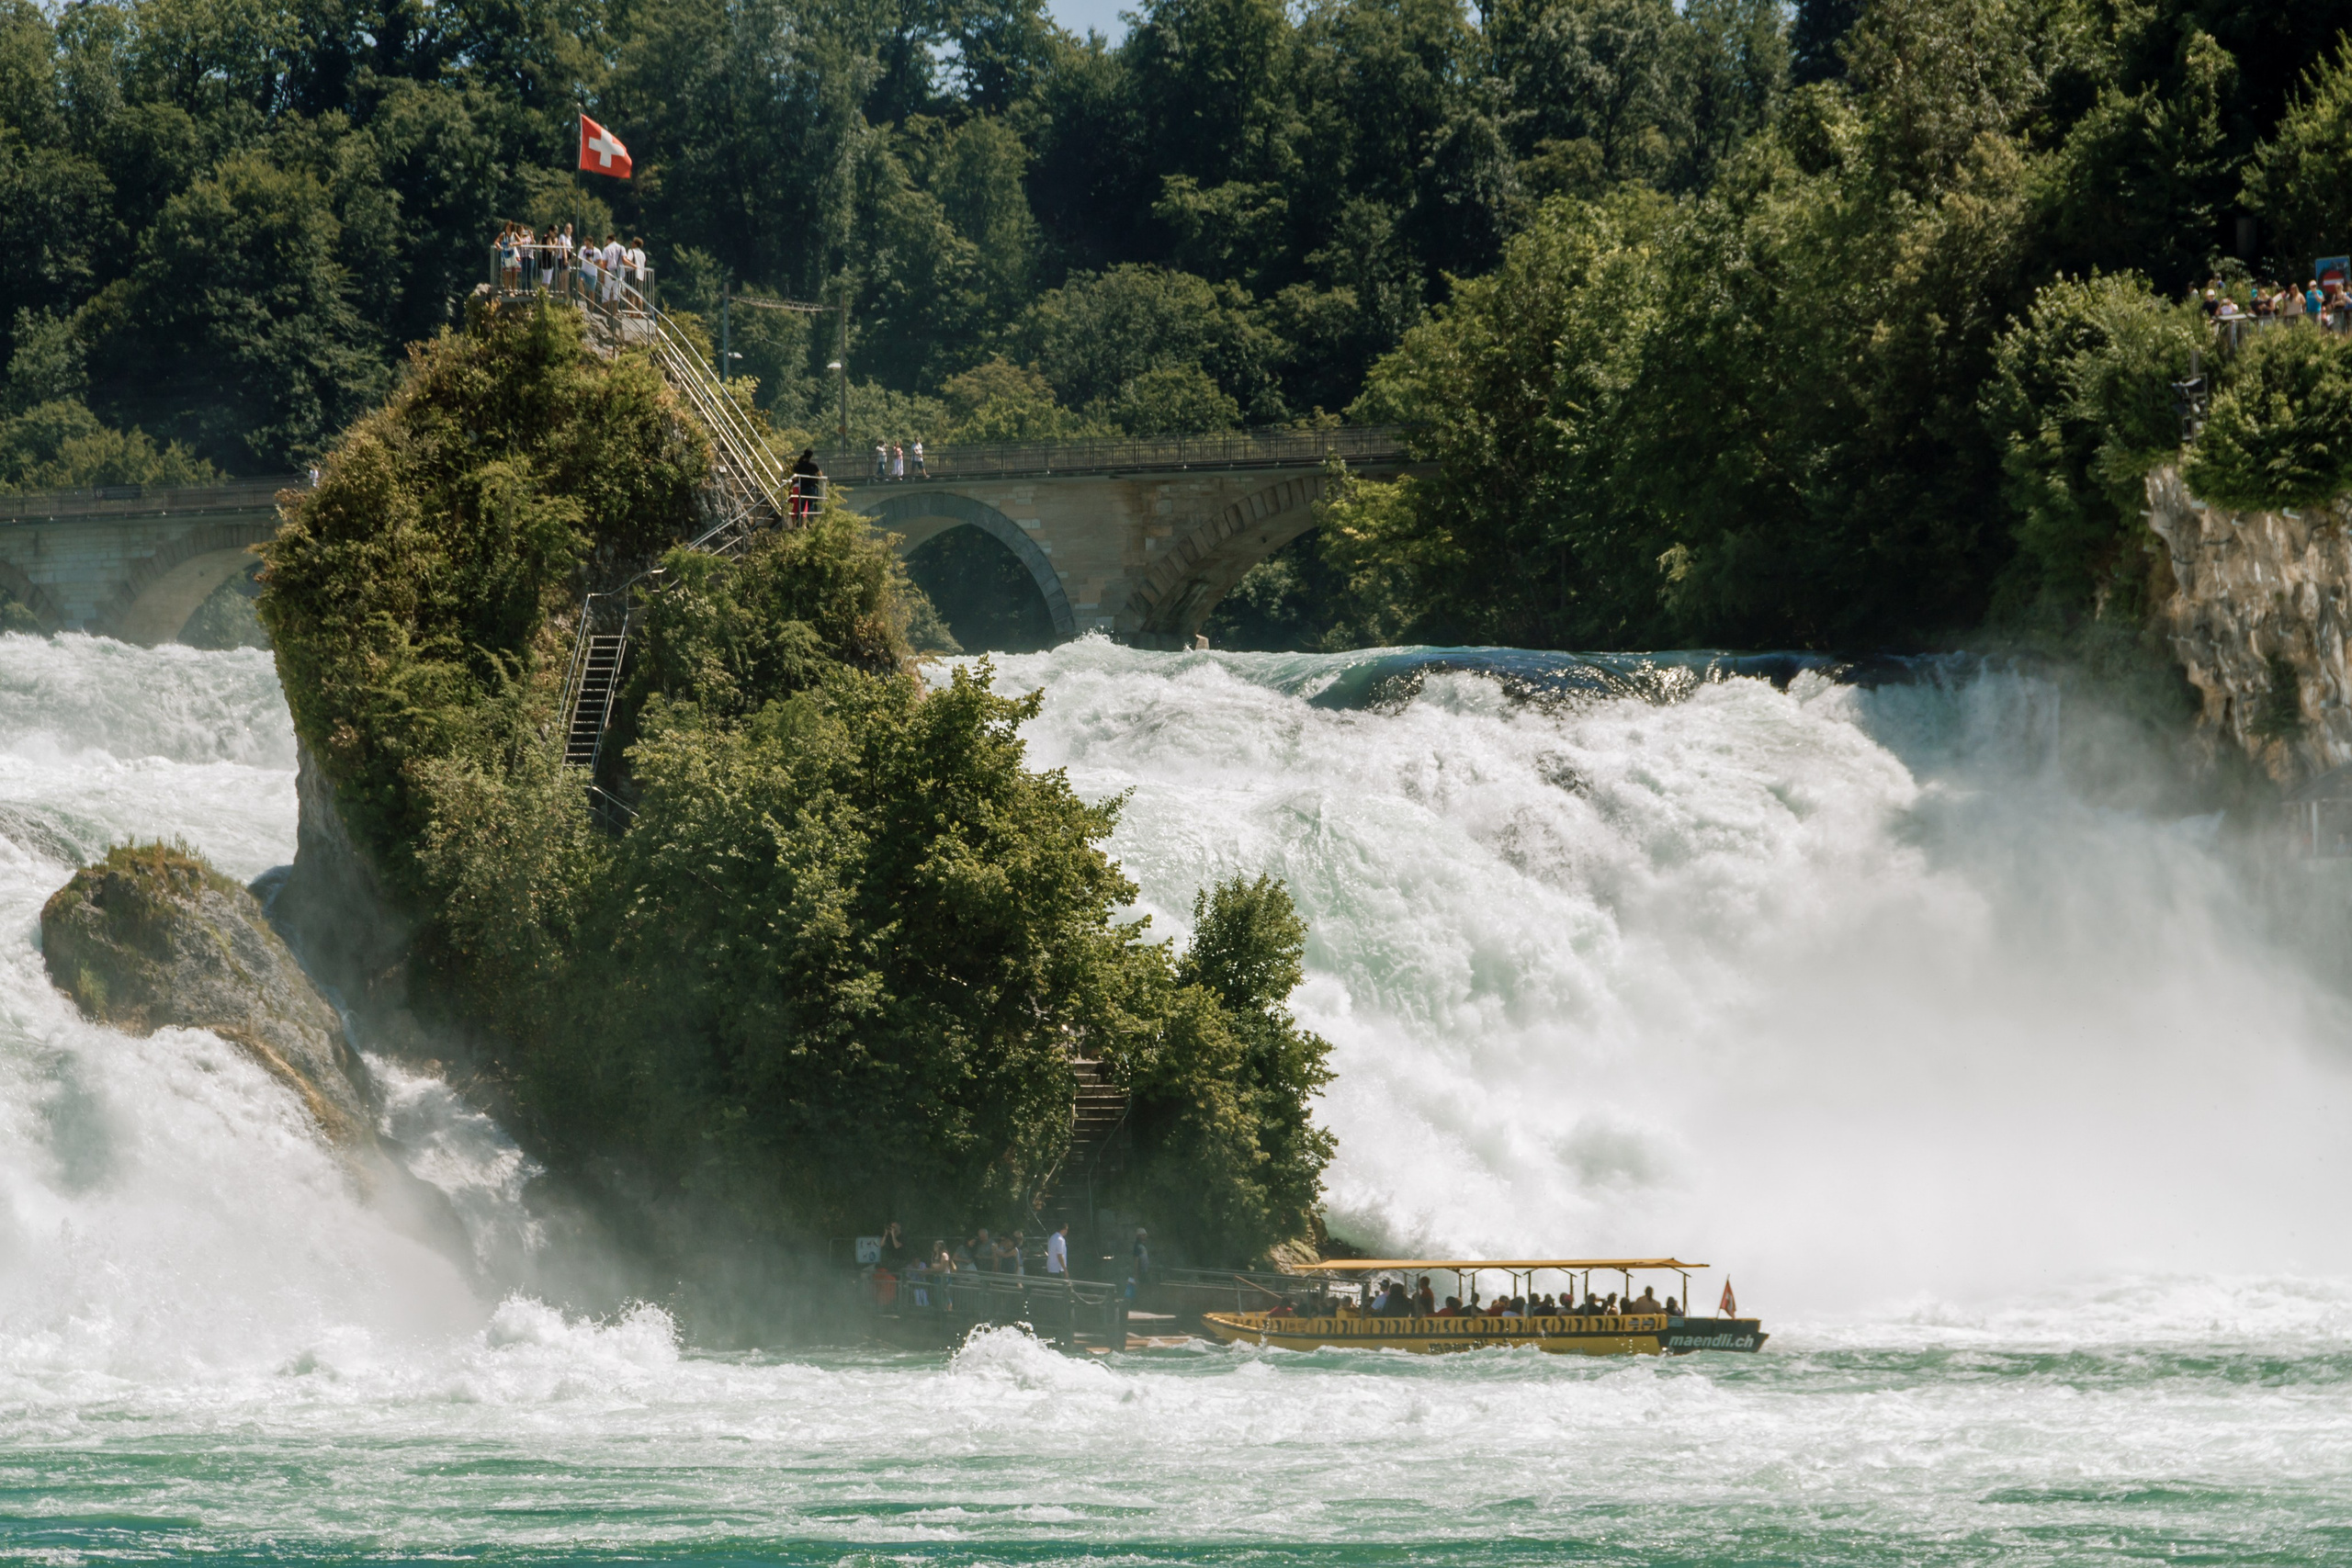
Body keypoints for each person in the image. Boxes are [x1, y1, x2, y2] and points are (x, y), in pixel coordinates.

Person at [789, 448, 822, 521]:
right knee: (810, 506)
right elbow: (820, 474)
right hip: (811, 487)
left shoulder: (798, 465)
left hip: (802, 487)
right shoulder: (813, 465)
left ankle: (799, 523)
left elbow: (794, 476)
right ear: (811, 456)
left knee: (802, 506)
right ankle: (806, 524)